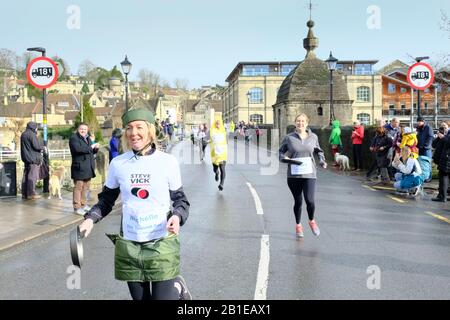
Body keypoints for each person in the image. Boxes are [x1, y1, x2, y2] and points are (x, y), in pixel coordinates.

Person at [77, 108, 191, 300]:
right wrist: (90, 220)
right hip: (131, 243)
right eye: (129, 128)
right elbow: (106, 200)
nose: (133, 133)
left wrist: (177, 216)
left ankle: (177, 288)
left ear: (150, 131)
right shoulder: (119, 164)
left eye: (139, 127)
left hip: (161, 241)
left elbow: (181, 200)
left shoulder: (167, 162)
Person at [279, 113, 327, 238]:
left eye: (303, 121)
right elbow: (280, 154)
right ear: (295, 123)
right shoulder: (289, 138)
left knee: (310, 200)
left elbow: (319, 151)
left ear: (307, 123)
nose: (300, 123)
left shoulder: (313, 137)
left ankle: (311, 221)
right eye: (298, 121)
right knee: (298, 201)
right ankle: (298, 225)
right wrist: (286, 159)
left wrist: (322, 161)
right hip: (294, 175)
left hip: (310, 173)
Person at [69, 123, 99, 215]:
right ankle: (77, 207)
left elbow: (90, 151)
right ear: (78, 129)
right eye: (81, 129)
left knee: (86, 187)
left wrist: (96, 148)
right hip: (79, 167)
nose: (83, 131)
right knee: (78, 187)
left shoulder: (87, 138)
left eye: (85, 129)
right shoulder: (74, 138)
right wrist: (91, 147)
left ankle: (83, 204)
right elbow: (78, 149)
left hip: (88, 167)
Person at [20, 121, 44, 200]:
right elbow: (36, 146)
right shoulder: (32, 135)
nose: (37, 129)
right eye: (36, 127)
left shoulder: (23, 134)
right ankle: (31, 194)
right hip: (33, 158)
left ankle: (24, 193)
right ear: (34, 127)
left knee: (26, 175)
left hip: (26, 158)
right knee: (32, 176)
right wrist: (42, 146)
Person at [432, 123, 450, 202]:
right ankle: (442, 195)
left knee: (444, 177)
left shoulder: (446, 136)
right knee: (443, 177)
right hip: (443, 158)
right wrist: (439, 137)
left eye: (445, 127)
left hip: (447, 159)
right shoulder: (444, 135)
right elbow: (434, 144)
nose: (444, 128)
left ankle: (443, 196)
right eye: (442, 127)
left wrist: (443, 137)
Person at [209, 118, 228, 191]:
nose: (218, 125)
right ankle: (217, 173)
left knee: (222, 168)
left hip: (223, 153)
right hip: (214, 153)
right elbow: (208, 138)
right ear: (215, 124)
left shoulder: (223, 131)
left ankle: (221, 184)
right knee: (215, 169)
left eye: (219, 123)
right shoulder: (212, 130)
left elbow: (226, 141)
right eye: (217, 123)